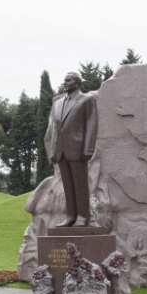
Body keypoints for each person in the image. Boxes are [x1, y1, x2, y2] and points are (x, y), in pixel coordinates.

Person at [44, 71, 98, 227]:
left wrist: (88, 148)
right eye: (64, 80)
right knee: (68, 185)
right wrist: (53, 150)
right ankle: (70, 216)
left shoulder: (87, 100)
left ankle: (83, 217)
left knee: (80, 185)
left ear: (77, 83)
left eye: (68, 80)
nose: (65, 82)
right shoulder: (58, 103)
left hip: (78, 148)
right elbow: (56, 129)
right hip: (61, 151)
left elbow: (91, 124)